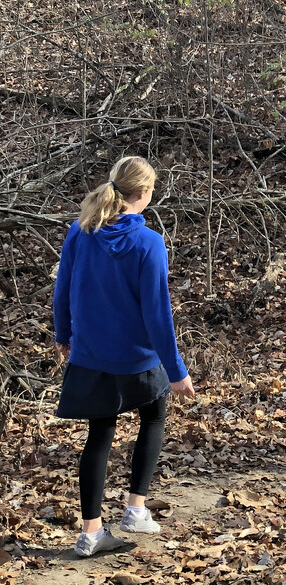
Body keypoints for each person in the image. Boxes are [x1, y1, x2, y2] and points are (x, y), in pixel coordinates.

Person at [53, 156, 195, 558]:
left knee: (99, 436)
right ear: (145, 193)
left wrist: (63, 334)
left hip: (91, 353)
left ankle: (91, 533)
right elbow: (157, 313)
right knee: (153, 417)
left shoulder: (80, 231)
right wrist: (176, 370)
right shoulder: (147, 242)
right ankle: (135, 508)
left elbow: (61, 289)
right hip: (137, 358)